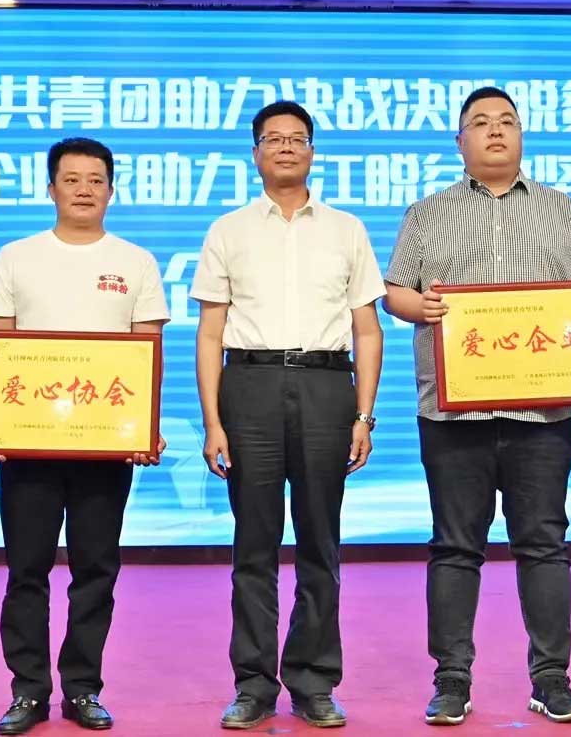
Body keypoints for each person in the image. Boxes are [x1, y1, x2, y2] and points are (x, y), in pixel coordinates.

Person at [383, 87, 571, 726]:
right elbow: (394, 292)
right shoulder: (427, 213)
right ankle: (451, 681)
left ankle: (552, 679)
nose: (495, 131)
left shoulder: (559, 209)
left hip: (542, 415)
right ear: (459, 141)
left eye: (507, 122)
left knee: (543, 543)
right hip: (452, 413)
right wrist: (419, 306)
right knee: (455, 547)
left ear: (522, 136)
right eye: (481, 123)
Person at [190, 101, 385, 730]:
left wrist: (364, 416)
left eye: (297, 138)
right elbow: (210, 333)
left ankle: (313, 680)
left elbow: (367, 329)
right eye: (272, 139)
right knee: (254, 544)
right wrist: (213, 422)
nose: (285, 148)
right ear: (255, 153)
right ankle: (252, 685)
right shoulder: (228, 230)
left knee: (320, 542)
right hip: (249, 386)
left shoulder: (346, 229)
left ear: (312, 152)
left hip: (327, 386)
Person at [0, 137, 169, 735]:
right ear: (50, 188)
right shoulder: (17, 257)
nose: (84, 189)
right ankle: (28, 692)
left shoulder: (135, 261)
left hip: (105, 446)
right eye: (72, 179)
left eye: (96, 180)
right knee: (26, 570)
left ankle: (82, 689)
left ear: (112, 190)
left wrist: (145, 429)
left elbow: (147, 352)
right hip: (29, 444)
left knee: (96, 571)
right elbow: (1, 346)